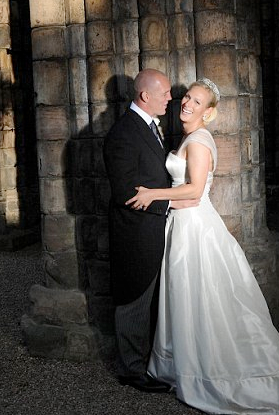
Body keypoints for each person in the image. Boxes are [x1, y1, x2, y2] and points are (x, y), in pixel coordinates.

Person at [125, 78, 279, 414]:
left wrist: (152, 194)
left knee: (201, 296)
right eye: (187, 97)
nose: (187, 103)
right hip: (181, 223)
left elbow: (195, 191)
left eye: (197, 102)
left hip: (195, 229)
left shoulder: (199, 141)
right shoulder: (188, 137)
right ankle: (183, 365)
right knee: (186, 297)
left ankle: (211, 372)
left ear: (208, 112)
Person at [102, 69, 198, 393]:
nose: (171, 98)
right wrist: (170, 203)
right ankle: (131, 371)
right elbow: (125, 192)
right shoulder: (123, 133)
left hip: (155, 230)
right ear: (145, 96)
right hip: (135, 235)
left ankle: (149, 363)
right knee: (134, 299)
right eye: (165, 93)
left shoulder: (151, 127)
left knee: (152, 301)